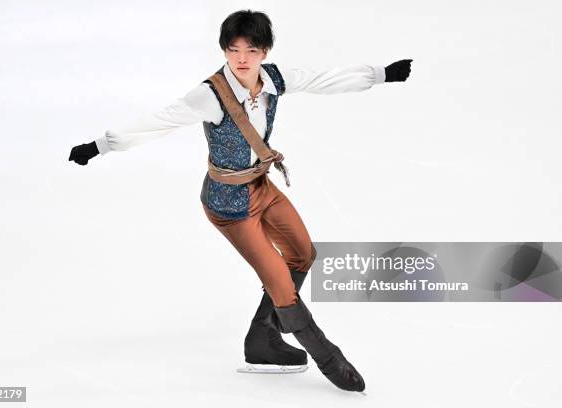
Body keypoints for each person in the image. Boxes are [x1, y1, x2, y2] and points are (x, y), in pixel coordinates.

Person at [69, 9, 412, 392]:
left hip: (262, 187)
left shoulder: (273, 79)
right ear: (225, 51)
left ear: (264, 51)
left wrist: (381, 74)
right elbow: (160, 119)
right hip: (229, 205)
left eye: (250, 49)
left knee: (303, 252)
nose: (242, 59)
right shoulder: (210, 95)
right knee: (282, 283)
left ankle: (261, 337)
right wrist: (99, 146)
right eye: (233, 50)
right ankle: (327, 356)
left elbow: (321, 79)